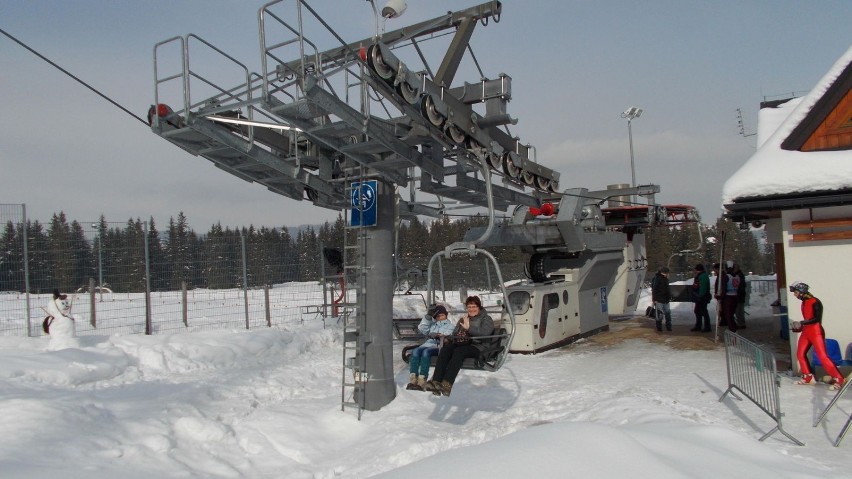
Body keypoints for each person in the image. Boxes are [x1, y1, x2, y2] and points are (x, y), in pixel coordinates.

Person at [424, 295, 494, 397]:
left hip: (479, 347)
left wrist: (468, 328)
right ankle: (436, 382)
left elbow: (485, 333)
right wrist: (448, 337)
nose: (471, 309)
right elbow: (455, 333)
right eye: (469, 307)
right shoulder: (463, 319)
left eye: (474, 307)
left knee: (459, 352)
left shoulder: (486, 319)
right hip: (463, 344)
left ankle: (447, 384)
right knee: (446, 349)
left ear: (479, 307)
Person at [789, 282, 845, 390]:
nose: (795, 295)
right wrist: (799, 327)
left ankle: (839, 378)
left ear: (802, 292)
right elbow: (807, 319)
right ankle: (808, 377)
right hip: (806, 332)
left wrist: (801, 323)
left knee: (823, 356)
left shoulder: (815, 302)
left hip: (816, 332)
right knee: (800, 354)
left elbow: (816, 319)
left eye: (796, 292)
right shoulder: (804, 303)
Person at [406, 304, 455, 391]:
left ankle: (422, 379)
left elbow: (449, 335)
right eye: (438, 316)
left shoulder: (450, 326)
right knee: (415, 351)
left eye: (442, 315)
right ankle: (413, 378)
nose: (441, 318)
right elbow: (422, 328)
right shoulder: (433, 325)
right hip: (428, 344)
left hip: (439, 346)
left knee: (426, 353)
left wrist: (438, 335)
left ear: (446, 315)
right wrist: (428, 316)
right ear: (435, 317)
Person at [715, 261, 738, 333]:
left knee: (729, 317)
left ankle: (733, 332)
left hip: (728, 298)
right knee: (731, 316)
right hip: (735, 297)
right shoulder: (737, 276)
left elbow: (724, 289)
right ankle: (734, 330)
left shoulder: (726, 277)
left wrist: (719, 297)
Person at [690, 264, 712, 332]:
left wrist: (699, 295)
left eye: (695, 269)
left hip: (702, 297)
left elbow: (703, 287)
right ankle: (699, 326)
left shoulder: (703, 276)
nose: (695, 271)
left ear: (698, 269)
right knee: (698, 311)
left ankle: (707, 327)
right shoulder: (701, 275)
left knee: (703, 311)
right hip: (700, 297)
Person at [651, 267, 672, 332]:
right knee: (660, 314)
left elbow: (667, 289)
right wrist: (655, 299)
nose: (668, 274)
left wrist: (669, 296)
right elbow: (654, 289)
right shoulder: (657, 278)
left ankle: (668, 326)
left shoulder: (665, 278)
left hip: (665, 299)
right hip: (659, 299)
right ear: (665, 273)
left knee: (667, 313)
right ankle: (659, 327)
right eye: (667, 273)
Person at [733, 263, 747, 329]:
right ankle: (741, 323)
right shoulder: (741, 275)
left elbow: (740, 286)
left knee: (738, 310)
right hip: (741, 294)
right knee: (740, 310)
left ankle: (740, 323)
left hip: (739, 295)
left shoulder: (738, 276)